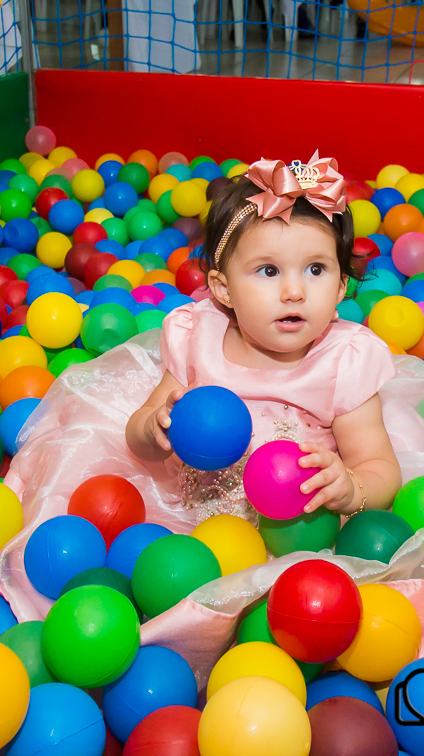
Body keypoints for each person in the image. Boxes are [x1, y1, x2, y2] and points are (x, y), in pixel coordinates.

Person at [125, 153, 403, 521]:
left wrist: (352, 488)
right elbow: (140, 431)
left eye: (315, 269)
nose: (294, 291)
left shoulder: (343, 362)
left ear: (340, 287)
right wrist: (152, 428)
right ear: (223, 290)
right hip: (196, 522)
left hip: (299, 526)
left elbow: (379, 465)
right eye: (269, 270)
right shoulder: (199, 337)